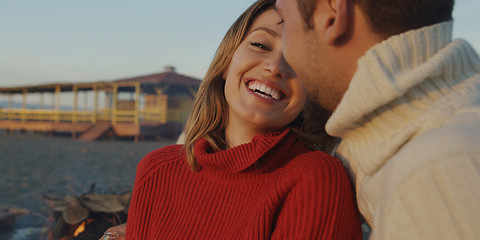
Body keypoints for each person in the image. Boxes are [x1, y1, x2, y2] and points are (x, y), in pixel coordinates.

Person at [99, 0, 363, 239]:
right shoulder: (156, 169)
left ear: (313, 90)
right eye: (260, 45)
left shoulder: (314, 178)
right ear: (226, 62)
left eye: (300, 58)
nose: (276, 66)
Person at [275, 0, 480, 239]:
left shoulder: (437, 174)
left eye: (285, 21)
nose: (282, 61)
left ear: (332, 15)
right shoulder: (386, 151)